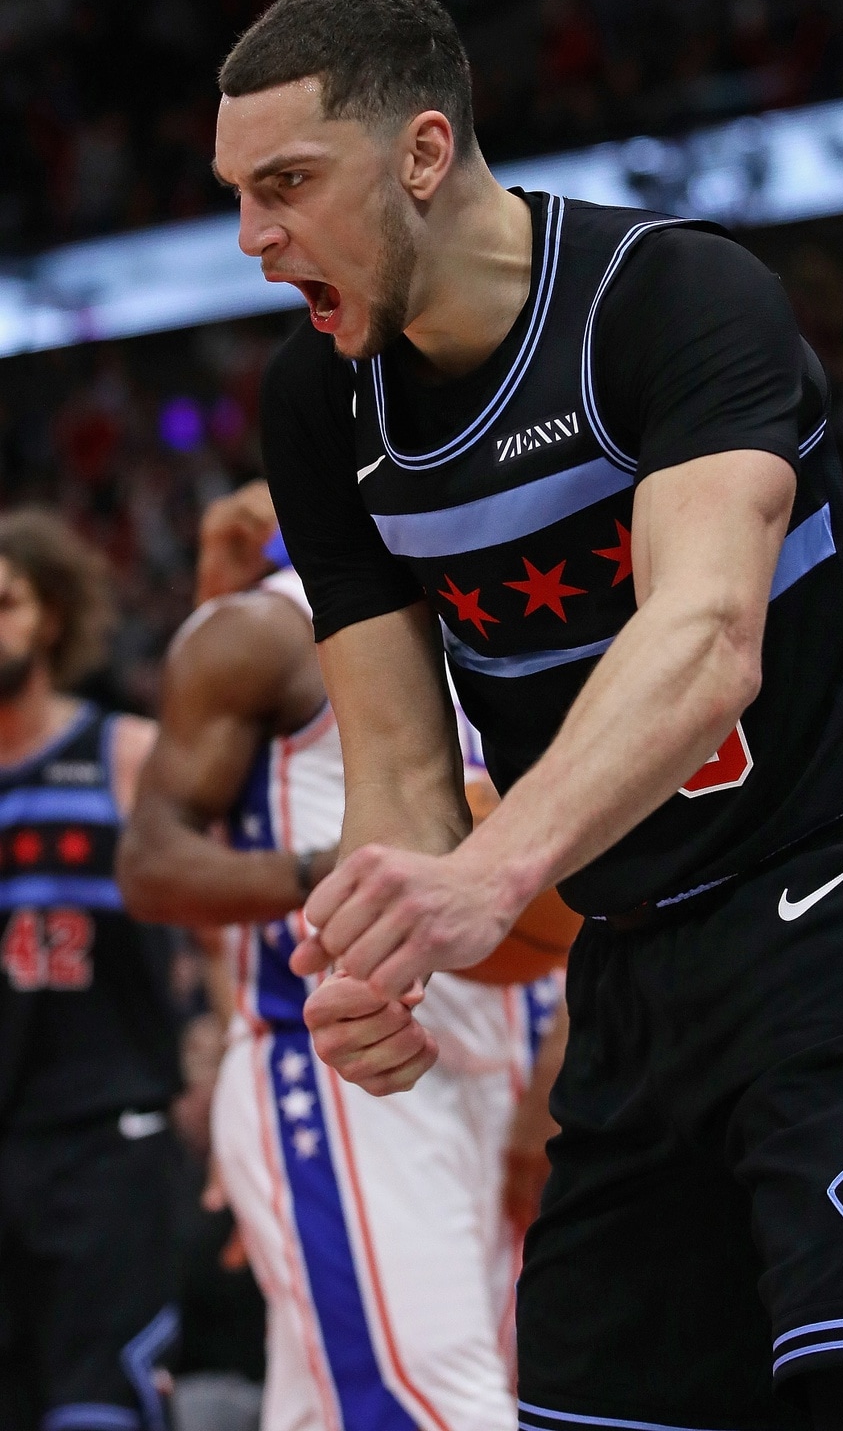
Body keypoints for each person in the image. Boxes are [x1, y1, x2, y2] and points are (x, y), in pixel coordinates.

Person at [217, 0, 843, 1429]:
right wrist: (378, 935)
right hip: (627, 982)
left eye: (287, 184)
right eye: (235, 194)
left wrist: (482, 876)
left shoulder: (671, 295)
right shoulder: (315, 403)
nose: (253, 238)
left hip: (837, 929)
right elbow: (405, 762)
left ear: (422, 153)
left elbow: (706, 636)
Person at [118, 481, 565, 1431]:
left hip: (519, 1060)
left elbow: (585, 870)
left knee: (377, 1406)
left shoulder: (524, 604)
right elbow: (152, 865)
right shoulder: (261, 634)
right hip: (340, 1077)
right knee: (436, 1408)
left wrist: (559, 1067)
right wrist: (357, 864)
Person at [0, 509, 181, 1431]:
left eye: (4, 603)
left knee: (97, 1410)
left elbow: (217, 941)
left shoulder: (126, 755)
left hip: (104, 1142)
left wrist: (223, 1055)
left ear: (53, 617)